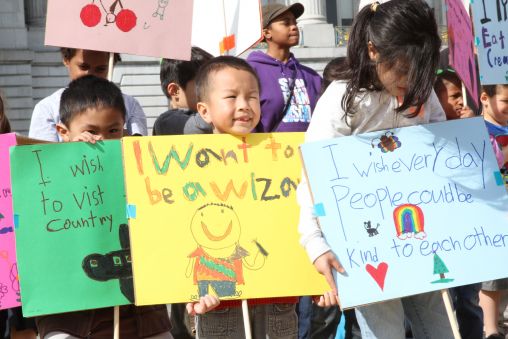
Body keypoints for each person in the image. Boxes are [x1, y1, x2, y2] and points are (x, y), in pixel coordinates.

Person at [297, 1, 453, 338]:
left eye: (421, 72)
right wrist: (314, 242)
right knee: (384, 332)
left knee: (442, 326)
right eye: (402, 69)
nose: (410, 81)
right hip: (366, 242)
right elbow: (312, 174)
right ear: (372, 51)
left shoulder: (423, 94)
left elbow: (442, 149)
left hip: (423, 234)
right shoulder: (343, 100)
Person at [35, 75, 219, 339]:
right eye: (91, 131)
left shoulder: (146, 173)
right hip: (70, 318)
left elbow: (171, 233)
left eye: (113, 130)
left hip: (141, 315)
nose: (103, 141)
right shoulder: (44, 179)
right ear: (63, 132)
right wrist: (66, 165)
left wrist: (190, 290)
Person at [195, 56, 299, 339]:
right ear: (204, 110)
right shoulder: (188, 167)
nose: (244, 105)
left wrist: (316, 282)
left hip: (278, 300)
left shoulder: (283, 158)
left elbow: (300, 220)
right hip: (219, 303)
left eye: (252, 97)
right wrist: (187, 294)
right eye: (231, 97)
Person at [153, 46, 214, 339]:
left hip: (213, 233)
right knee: (188, 321)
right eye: (204, 86)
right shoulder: (171, 122)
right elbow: (196, 129)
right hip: (184, 240)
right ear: (175, 91)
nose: (211, 93)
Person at [434, 65, 483, 339]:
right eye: (453, 96)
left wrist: (473, 129)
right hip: (440, 232)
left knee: (468, 300)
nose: (460, 101)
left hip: (468, 233)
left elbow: (491, 166)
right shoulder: (426, 133)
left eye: (460, 94)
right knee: (442, 303)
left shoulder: (472, 129)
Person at [29, 48, 147, 142]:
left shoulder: (130, 105)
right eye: (83, 67)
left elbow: (138, 148)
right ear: (66, 60)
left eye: (100, 69)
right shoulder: (47, 108)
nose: (91, 74)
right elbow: (43, 160)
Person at [246, 3, 322, 133]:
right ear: (267, 33)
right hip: (267, 150)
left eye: (295, 23)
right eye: (286, 23)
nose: (294, 27)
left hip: (307, 151)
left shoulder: (312, 76)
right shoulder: (250, 72)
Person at [479, 84, 508, 339]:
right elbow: (488, 162)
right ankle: (490, 329)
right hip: (491, 215)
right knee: (492, 277)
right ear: (485, 99)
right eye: (506, 100)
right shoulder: (476, 130)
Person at [153, 47, 213, 136]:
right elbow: (203, 126)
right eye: (205, 84)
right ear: (175, 91)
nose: (213, 90)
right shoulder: (166, 122)